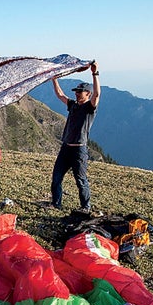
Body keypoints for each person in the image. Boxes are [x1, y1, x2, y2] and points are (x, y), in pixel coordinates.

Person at [49, 61, 101, 215]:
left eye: (80, 91)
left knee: (81, 180)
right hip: (65, 148)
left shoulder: (89, 108)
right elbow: (60, 95)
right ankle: (56, 203)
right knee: (56, 177)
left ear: (88, 94)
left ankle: (86, 207)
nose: (77, 93)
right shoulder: (73, 105)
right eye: (76, 91)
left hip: (79, 150)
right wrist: (54, 78)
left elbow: (97, 94)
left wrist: (95, 73)